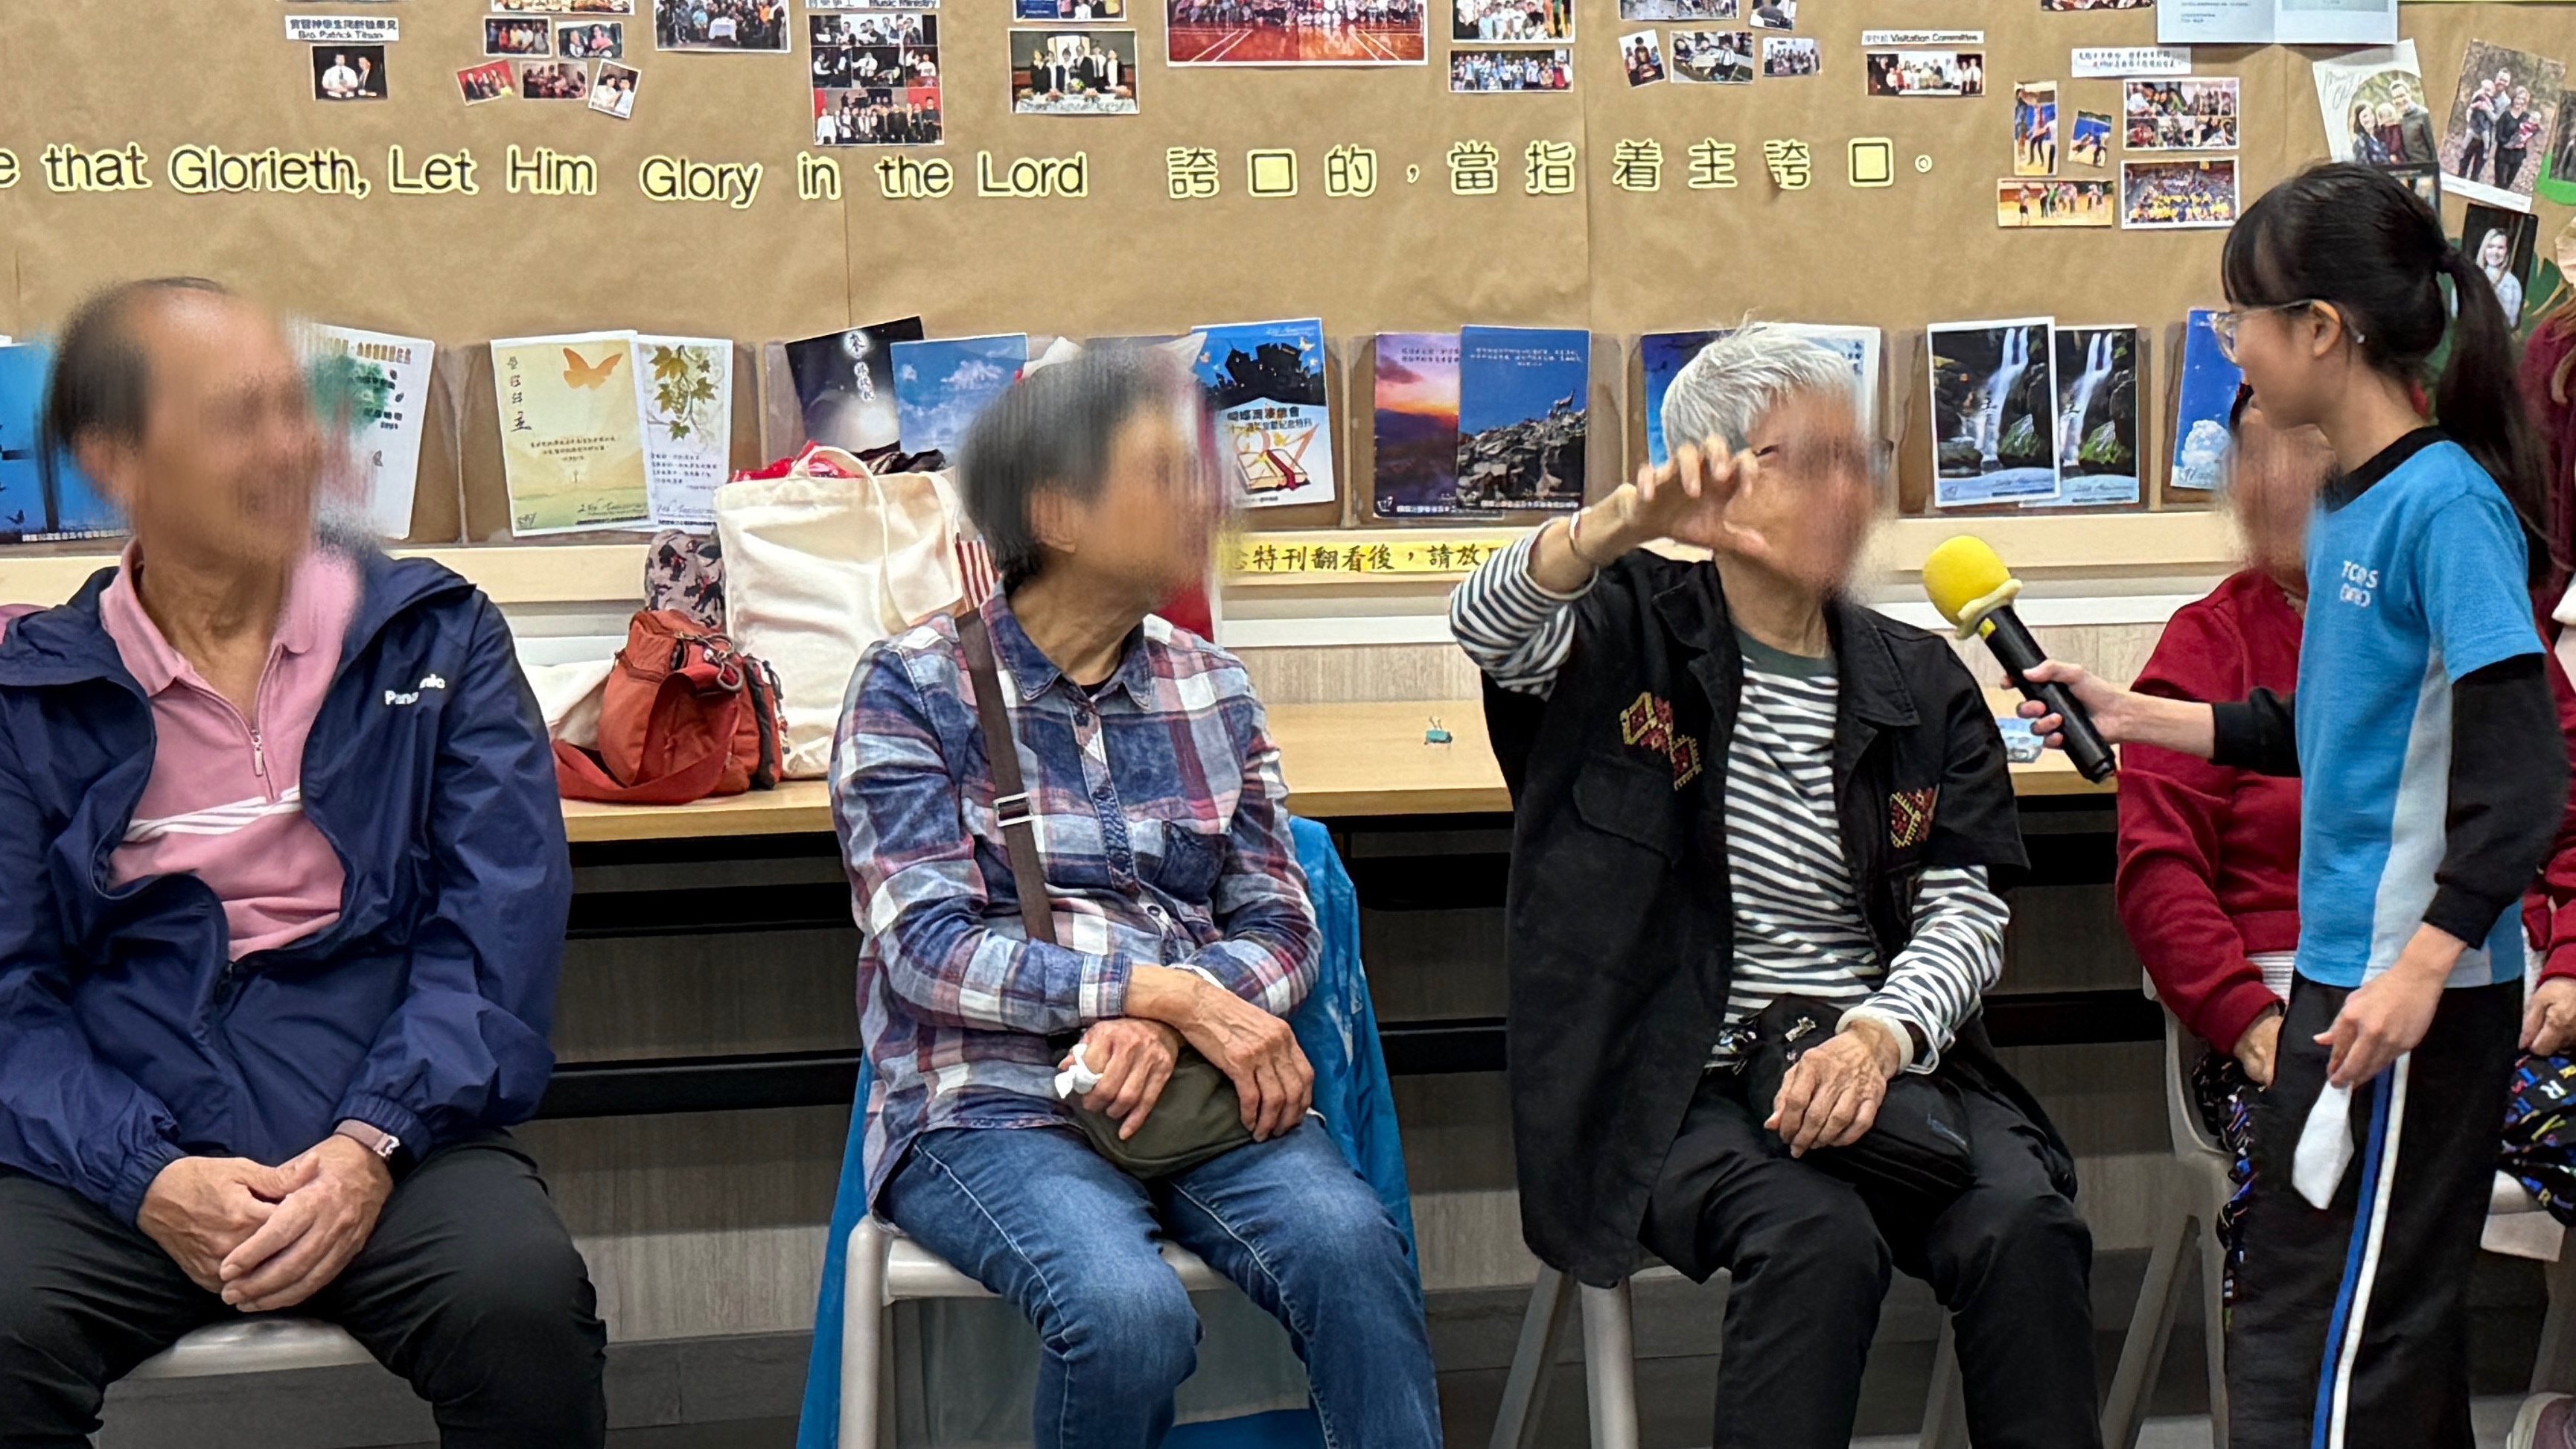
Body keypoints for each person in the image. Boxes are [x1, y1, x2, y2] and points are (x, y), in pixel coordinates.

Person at [1451, 325, 2098, 1449]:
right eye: (1814, 461)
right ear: (1717, 480)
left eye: (1862, 459)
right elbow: (1486, 625)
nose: (1851, 492)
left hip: (1880, 1055)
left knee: (2025, 1222)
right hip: (1676, 1074)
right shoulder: (1624, 629)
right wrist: (1616, 526)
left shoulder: (1920, 677)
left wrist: (1878, 1036)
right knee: (1817, 1238)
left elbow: (1964, 909)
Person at [0, 278, 601, 1446]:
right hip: (123, 1139)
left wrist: (371, 1141)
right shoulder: (35, 694)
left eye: (297, 406)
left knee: (519, 1306)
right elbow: (11, 995)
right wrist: (145, 1176)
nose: (291, 449)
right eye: (237, 416)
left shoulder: (433, 634)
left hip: (386, 1123)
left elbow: (497, 930)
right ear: (116, 459)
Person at [2023, 163, 2566, 1448]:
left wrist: (2422, 971)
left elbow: (2523, 778)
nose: (2231, 346)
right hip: (2343, 978)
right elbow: (2321, 728)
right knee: (2347, 1331)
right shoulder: (2348, 500)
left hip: (2415, 1000)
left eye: (2241, 318)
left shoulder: (2450, 508)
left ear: (2323, 329)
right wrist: (2137, 714)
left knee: (2335, 1349)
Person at [831, 348, 1442, 1449]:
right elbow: (925, 948)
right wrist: (1157, 992)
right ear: (1056, 512)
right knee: (1124, 1313)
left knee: (1355, 1251)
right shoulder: (911, 687)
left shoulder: (1213, 686)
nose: (1205, 500)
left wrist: (1170, 1014)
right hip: (988, 1096)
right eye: (1164, 475)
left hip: (1194, 1085)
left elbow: (1282, 917)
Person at [2483, 226, 2528, 328]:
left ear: (2507, 251)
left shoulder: (2512, 284)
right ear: (2484, 249)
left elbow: (2510, 323)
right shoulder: (2471, 275)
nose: (2495, 252)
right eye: (2490, 246)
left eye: (2500, 248)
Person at [2393, 80, 2439, 165]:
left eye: (2402, 96)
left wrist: (2435, 168)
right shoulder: (2399, 120)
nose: (2399, 100)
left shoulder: (2424, 115)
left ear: (2409, 94)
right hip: (2409, 169)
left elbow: (2433, 147)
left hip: (2425, 166)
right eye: (2395, 98)